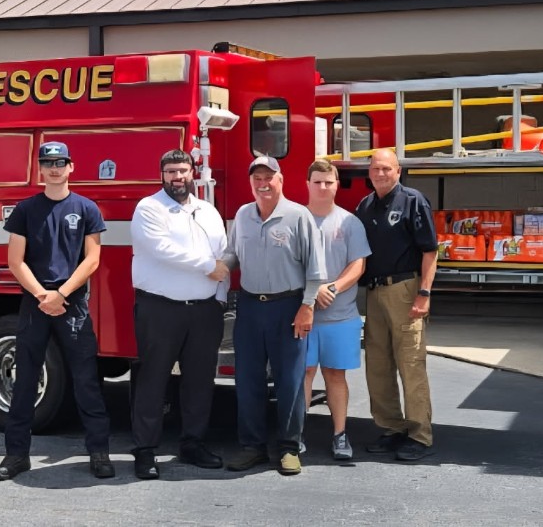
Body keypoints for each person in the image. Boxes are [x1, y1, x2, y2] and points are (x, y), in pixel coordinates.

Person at [0, 141, 114, 481]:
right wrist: (42, 295)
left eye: (60, 162)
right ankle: (16, 456)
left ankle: (99, 452)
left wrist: (60, 293)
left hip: (72, 304)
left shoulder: (87, 208)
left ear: (71, 167)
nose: (55, 168)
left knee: (87, 381)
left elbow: (92, 259)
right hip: (35, 304)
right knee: (25, 382)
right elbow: (14, 261)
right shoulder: (25, 210)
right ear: (40, 169)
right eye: (48, 163)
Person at [129, 148, 229, 480]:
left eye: (183, 171)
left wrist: (220, 298)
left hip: (204, 311)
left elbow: (222, 255)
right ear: (162, 175)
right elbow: (162, 249)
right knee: (152, 381)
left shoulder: (208, 211)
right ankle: (145, 451)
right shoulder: (149, 208)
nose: (177, 177)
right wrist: (207, 268)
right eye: (171, 171)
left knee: (200, 382)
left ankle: (193, 444)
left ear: (193, 173)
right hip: (160, 309)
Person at [223, 155, 326, 476]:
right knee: (248, 380)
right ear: (251, 182)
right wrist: (218, 267)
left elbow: (316, 268)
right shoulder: (242, 215)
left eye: (269, 176)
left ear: (281, 180)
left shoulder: (298, 216)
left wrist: (307, 306)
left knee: (290, 382)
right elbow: (232, 253)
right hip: (251, 307)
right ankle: (252, 447)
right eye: (257, 177)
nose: (263, 183)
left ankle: (289, 448)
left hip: (289, 308)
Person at [354, 149, 438, 461]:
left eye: (386, 169)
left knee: (410, 365)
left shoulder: (413, 201)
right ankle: (392, 428)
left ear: (398, 171)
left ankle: (419, 435)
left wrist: (424, 294)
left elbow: (430, 251)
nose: (380, 174)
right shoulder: (365, 205)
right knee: (378, 366)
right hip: (374, 293)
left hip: (405, 290)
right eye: (375, 169)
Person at [302, 159, 370, 461]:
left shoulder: (350, 222)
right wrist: (311, 293)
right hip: (303, 315)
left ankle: (340, 435)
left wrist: (332, 288)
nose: (323, 187)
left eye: (328, 182)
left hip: (340, 316)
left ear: (337, 184)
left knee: (335, 375)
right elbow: (287, 264)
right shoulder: (295, 219)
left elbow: (358, 264)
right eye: (317, 181)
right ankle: (297, 434)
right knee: (302, 374)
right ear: (308, 184)